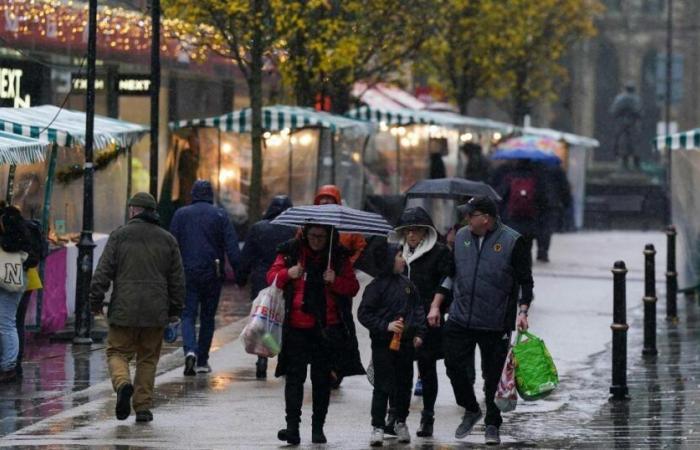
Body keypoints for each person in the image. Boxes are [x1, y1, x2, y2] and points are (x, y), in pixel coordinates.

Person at [444, 196, 533, 445]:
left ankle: (492, 423)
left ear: (486, 218)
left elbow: (526, 281)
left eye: (470, 215)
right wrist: (436, 303)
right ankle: (471, 409)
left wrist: (523, 311)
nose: (466, 219)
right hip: (460, 316)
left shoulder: (513, 241)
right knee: (453, 364)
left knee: (492, 376)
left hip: (495, 321)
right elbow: (451, 274)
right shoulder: (461, 236)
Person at [89, 192, 185, 422]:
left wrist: (95, 300)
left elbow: (103, 272)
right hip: (155, 310)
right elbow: (177, 279)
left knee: (117, 352)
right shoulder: (167, 239)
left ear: (134, 210)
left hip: (124, 308)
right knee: (148, 358)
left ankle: (123, 384)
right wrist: (175, 310)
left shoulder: (119, 236)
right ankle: (142, 407)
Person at [267, 224, 361, 445]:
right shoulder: (291, 251)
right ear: (304, 234)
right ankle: (292, 428)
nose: (316, 240)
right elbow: (271, 276)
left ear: (329, 236)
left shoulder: (337, 256)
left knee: (321, 381)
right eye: (312, 235)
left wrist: (335, 280)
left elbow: (353, 287)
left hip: (326, 328)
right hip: (296, 326)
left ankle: (318, 428)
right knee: (294, 379)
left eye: (321, 236)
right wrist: (287, 274)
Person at [385, 206, 453, 438]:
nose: (412, 235)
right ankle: (394, 414)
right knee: (397, 369)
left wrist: (436, 307)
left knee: (427, 367)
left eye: (417, 231)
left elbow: (447, 281)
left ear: (426, 232)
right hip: (400, 320)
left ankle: (428, 416)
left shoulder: (440, 253)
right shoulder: (396, 253)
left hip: (427, 320)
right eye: (408, 231)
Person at [358, 241, 427, 446]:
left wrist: (419, 333)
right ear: (388, 260)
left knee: (404, 385)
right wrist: (385, 326)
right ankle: (378, 425)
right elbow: (364, 314)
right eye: (398, 256)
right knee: (382, 385)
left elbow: (418, 310)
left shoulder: (408, 285)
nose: (402, 259)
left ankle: (400, 421)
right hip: (382, 346)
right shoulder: (375, 287)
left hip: (405, 345)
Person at [170, 180, 241, 375]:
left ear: (193, 194)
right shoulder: (219, 215)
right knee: (208, 317)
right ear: (211, 194)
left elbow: (171, 244)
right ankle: (202, 361)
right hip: (212, 272)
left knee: (187, 315)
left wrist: (170, 273)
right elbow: (232, 247)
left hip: (187, 271)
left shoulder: (181, 214)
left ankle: (190, 350)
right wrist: (240, 275)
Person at [237, 195, 295, 379]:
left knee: (263, 318)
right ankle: (284, 359)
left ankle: (262, 356)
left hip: (261, 282)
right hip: (286, 282)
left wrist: (241, 277)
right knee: (284, 320)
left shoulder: (258, 228)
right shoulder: (294, 230)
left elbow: (246, 256)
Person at [0, 205, 34, 383]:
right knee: (10, 323)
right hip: (16, 275)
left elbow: (10, 244)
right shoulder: (15, 219)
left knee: (6, 323)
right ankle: (10, 364)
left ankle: (9, 366)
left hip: (9, 277)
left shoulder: (8, 219)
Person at [493, 159, 546, 265]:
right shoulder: (536, 179)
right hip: (530, 218)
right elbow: (542, 199)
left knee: (512, 245)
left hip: (512, 218)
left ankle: (514, 267)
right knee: (527, 246)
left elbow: (500, 196)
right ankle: (526, 270)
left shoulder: (510, 177)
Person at [314, 185, 367, 265]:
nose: (324, 201)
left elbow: (360, 248)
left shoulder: (350, 225)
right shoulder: (309, 223)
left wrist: (348, 265)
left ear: (337, 201)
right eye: (322, 198)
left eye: (329, 198)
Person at [534, 162, 572, 262]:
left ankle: (539, 249)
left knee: (538, 226)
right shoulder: (557, 169)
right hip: (552, 203)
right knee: (547, 228)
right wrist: (566, 202)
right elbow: (564, 187)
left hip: (536, 202)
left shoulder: (535, 168)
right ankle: (543, 251)